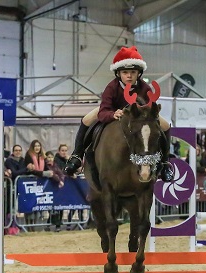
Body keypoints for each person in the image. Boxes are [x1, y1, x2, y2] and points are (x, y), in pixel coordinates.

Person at [63, 46, 173, 182]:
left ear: (138, 73)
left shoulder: (144, 87)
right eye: (125, 72)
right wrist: (112, 114)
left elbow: (149, 107)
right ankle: (77, 155)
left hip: (138, 116)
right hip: (113, 110)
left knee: (166, 126)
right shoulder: (112, 87)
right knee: (86, 119)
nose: (129, 75)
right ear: (118, 73)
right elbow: (103, 110)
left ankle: (165, 163)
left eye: (133, 72)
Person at [44, 151, 65, 232]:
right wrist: (59, 180)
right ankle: (51, 224)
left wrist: (61, 180)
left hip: (56, 189)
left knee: (58, 207)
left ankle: (57, 224)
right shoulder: (46, 166)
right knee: (51, 208)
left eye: (51, 157)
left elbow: (61, 174)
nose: (50, 159)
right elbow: (52, 174)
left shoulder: (56, 165)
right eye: (48, 157)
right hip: (48, 189)